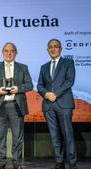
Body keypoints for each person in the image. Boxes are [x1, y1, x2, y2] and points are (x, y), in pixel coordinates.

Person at [0, 42, 33, 169]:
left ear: (16, 53)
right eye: (6, 50)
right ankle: (1, 161)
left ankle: (17, 162)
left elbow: (29, 85)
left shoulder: (23, 67)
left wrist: (18, 88)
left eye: (12, 51)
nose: (9, 53)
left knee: (18, 135)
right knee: (0, 135)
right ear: (2, 52)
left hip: (16, 105)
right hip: (0, 105)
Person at [37, 39, 77, 169]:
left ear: (60, 49)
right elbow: (39, 85)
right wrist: (46, 94)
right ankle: (59, 161)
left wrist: (55, 94)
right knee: (54, 135)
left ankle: (72, 162)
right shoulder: (44, 67)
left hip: (64, 104)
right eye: (50, 47)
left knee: (68, 134)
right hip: (48, 105)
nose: (53, 49)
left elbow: (69, 81)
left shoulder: (68, 63)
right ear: (47, 50)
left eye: (55, 46)